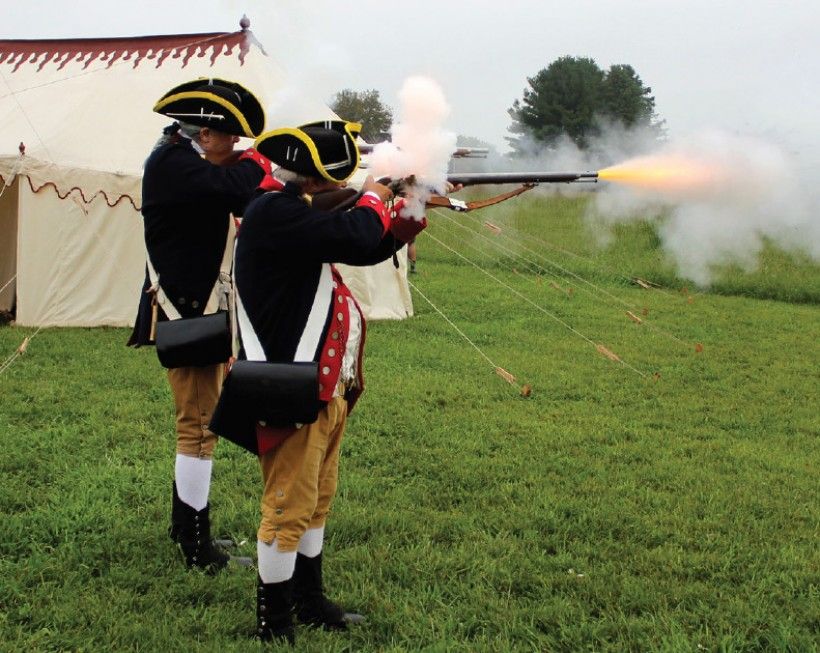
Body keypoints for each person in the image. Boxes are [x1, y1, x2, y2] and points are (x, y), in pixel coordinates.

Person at [221, 120, 428, 643]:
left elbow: (366, 244)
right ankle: (274, 621)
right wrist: (376, 194)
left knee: (315, 500)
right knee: (287, 508)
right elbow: (356, 233)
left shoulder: (287, 209)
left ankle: (309, 600)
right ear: (313, 181)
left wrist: (403, 214)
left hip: (323, 384)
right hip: (292, 387)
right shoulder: (273, 213)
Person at [128, 78, 270, 572]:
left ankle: (181, 526)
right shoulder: (174, 162)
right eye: (230, 137)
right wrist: (264, 159)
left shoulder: (177, 156)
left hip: (194, 305)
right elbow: (236, 188)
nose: (236, 145)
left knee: (199, 421)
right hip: (186, 308)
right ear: (205, 135)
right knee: (199, 426)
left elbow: (234, 195)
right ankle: (195, 545)